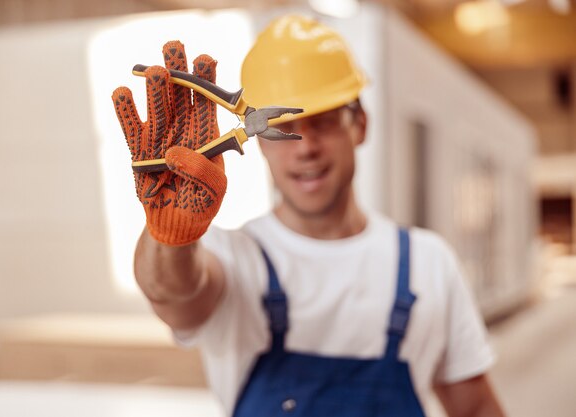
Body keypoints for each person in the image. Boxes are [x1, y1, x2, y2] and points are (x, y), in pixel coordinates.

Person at [112, 14, 505, 417]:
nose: (304, 147)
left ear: (361, 125)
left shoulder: (430, 263)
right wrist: (171, 236)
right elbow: (172, 293)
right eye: (283, 128)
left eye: (323, 122)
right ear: (259, 142)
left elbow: (475, 408)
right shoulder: (234, 257)